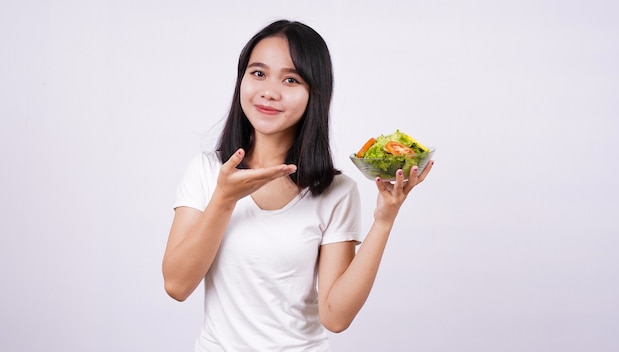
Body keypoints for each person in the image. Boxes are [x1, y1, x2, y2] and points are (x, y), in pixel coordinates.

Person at [162, 19, 434, 351]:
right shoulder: (206, 172)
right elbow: (176, 285)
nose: (269, 92)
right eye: (258, 73)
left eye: (290, 79)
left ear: (313, 94)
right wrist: (224, 199)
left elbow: (335, 317)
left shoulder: (335, 191)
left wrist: (384, 221)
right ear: (242, 80)